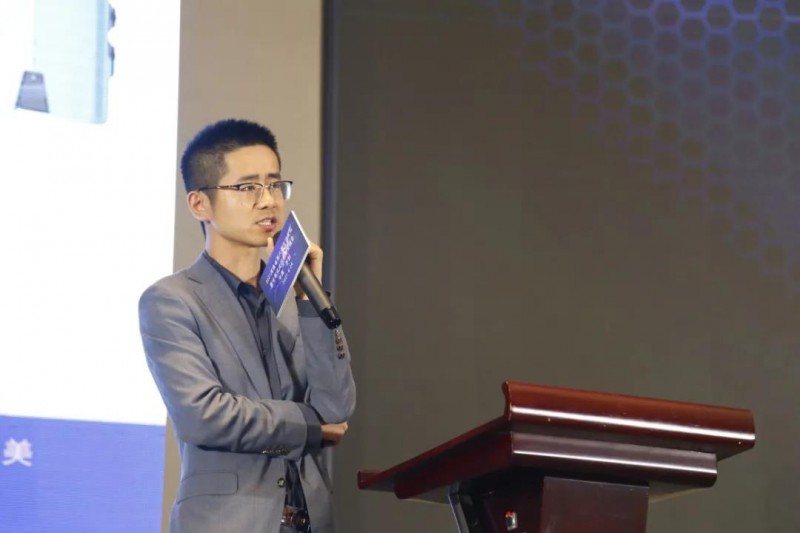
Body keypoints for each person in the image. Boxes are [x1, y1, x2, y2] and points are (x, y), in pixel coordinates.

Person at [139, 118, 356, 533]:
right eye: (247, 187)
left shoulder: (295, 299)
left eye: (274, 185)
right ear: (199, 204)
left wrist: (310, 300)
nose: (268, 200)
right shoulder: (172, 299)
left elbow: (337, 409)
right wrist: (309, 426)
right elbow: (205, 415)